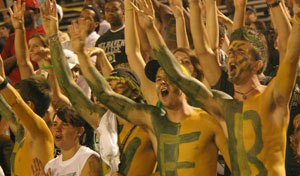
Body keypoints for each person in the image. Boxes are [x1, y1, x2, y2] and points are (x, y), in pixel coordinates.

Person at [132, 0, 300, 175]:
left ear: (258, 65)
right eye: (231, 51)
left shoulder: (273, 96)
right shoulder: (223, 104)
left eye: (240, 52)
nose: (232, 56)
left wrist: (289, 13)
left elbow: (290, 56)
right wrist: (151, 30)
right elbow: (181, 78)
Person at [65, 1, 231, 175]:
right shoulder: (156, 114)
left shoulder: (208, 106)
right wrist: (131, 10)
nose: (164, 79)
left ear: (196, 72)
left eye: (183, 63)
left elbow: (206, 49)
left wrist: (187, 14)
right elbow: (129, 59)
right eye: (160, 77)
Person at [40, 0, 156, 175]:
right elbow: (68, 86)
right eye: (110, 89)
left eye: (119, 89)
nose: (111, 95)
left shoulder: (149, 123)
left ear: (135, 93)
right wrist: (53, 37)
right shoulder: (104, 121)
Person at [0, 74, 53, 175]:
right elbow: (5, 101)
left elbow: (15, 101)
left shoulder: (39, 132)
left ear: (29, 105)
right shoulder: (23, 133)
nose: (12, 108)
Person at [31, 106, 101, 176]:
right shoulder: (50, 166)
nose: (57, 129)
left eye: (64, 124)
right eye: (55, 124)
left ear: (79, 131)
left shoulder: (90, 159)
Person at [1, 0, 44, 84]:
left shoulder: (44, 32)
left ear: (36, 12)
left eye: (25, 8)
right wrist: (18, 56)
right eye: (16, 9)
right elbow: (1, 66)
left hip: (37, 83)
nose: (21, 12)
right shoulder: (12, 38)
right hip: (11, 86)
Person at [95, 0, 128, 69]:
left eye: (114, 10)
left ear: (123, 11)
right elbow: (98, 66)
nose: (110, 13)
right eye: (107, 10)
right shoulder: (101, 40)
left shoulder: (130, 33)